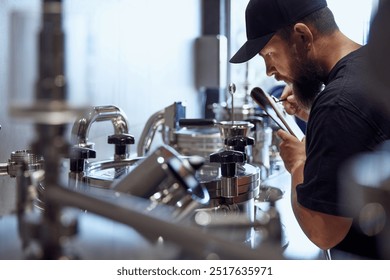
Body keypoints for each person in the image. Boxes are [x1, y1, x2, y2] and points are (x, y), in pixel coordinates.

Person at [230, 0, 390, 259]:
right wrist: (317, 115)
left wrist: (297, 164)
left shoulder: (337, 105)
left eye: (269, 54)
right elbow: (358, 134)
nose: (270, 71)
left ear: (302, 36)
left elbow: (324, 232)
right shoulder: (367, 71)